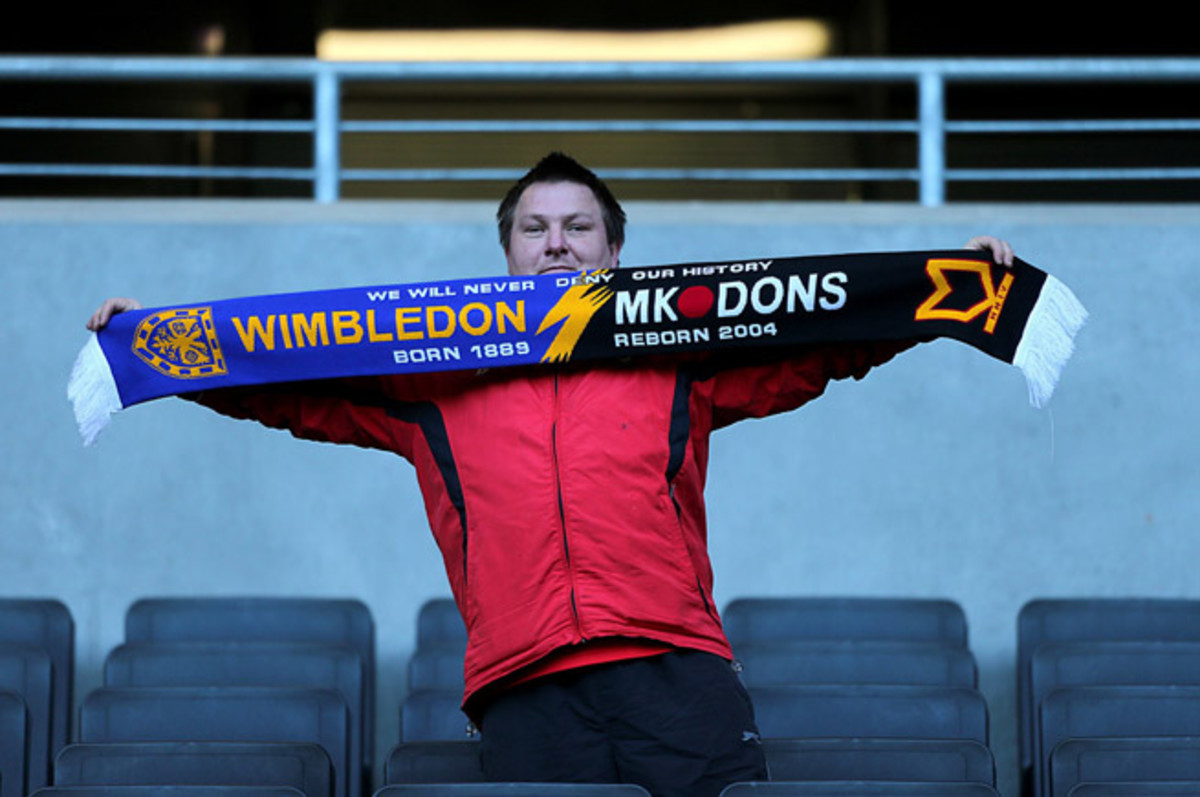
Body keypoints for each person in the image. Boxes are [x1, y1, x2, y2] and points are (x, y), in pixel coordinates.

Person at [88, 152, 1015, 797]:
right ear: (507, 254)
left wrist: (949, 289)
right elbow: (284, 380)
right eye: (535, 228)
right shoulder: (431, 379)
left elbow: (821, 338)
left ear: (615, 255)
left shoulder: (679, 355)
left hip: (676, 670)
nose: (557, 242)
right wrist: (156, 343)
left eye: (578, 227)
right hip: (525, 685)